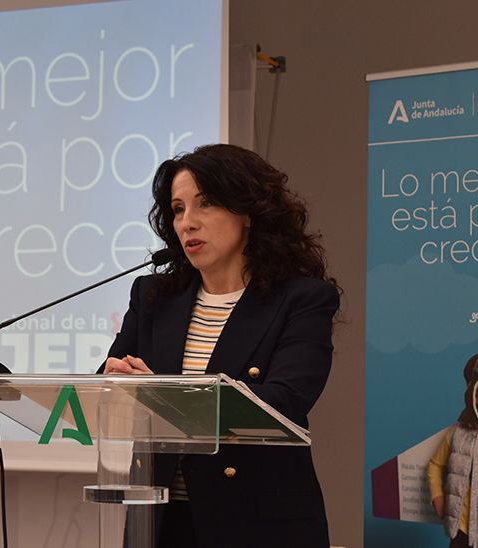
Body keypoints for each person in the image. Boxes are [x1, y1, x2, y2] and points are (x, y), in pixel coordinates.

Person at [99, 144, 341, 548]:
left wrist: (159, 393)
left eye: (205, 203)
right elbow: (105, 390)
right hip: (159, 523)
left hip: (256, 525)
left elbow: (282, 404)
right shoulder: (153, 296)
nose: (187, 223)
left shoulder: (301, 300)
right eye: (178, 209)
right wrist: (114, 382)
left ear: (248, 212)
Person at [427, 349, 478, 548]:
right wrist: (438, 497)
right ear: (474, 393)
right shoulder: (457, 434)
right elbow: (434, 464)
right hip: (462, 534)